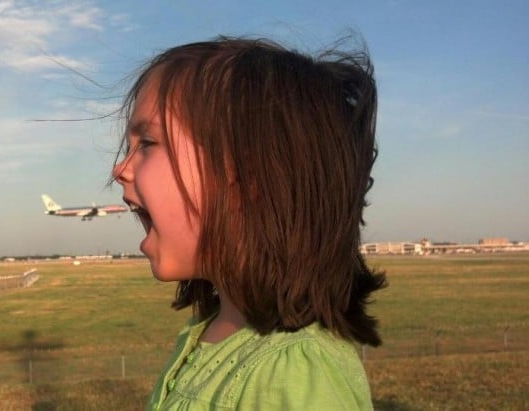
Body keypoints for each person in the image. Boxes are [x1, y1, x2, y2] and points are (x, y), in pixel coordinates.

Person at [112, 36, 386, 410]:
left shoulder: (297, 375)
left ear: (247, 178)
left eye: (146, 143)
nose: (120, 170)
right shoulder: (206, 333)